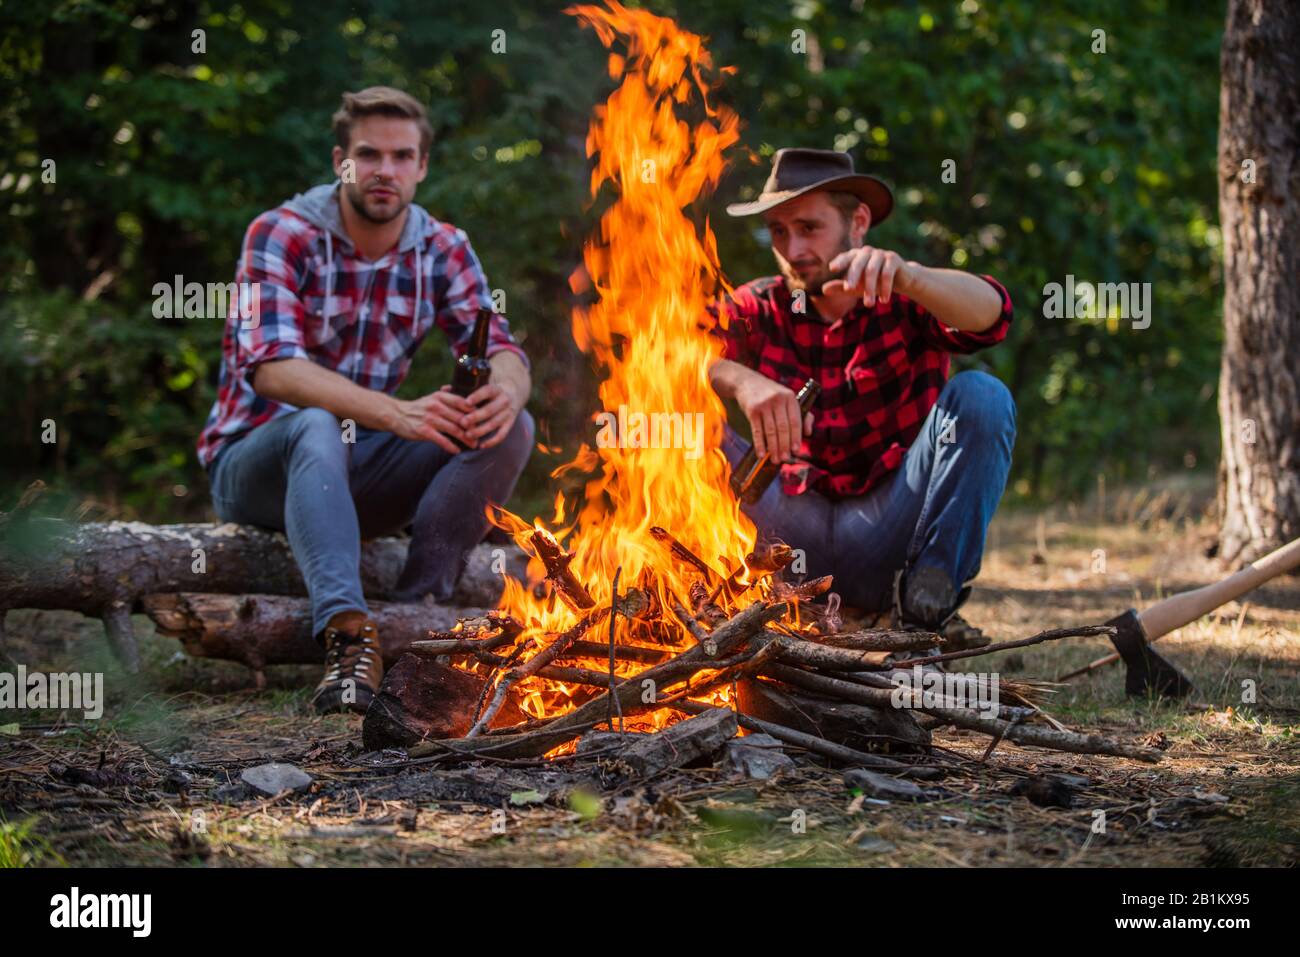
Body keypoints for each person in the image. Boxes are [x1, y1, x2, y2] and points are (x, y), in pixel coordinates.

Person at [198, 87, 533, 713]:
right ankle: (348, 638)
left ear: (422, 166)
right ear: (339, 162)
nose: (385, 170)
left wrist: (506, 395)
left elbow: (502, 348)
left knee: (511, 428)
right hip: (256, 466)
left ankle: (418, 620)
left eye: (402, 156)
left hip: (358, 469)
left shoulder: (444, 246)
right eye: (368, 154)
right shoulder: (282, 232)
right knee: (316, 423)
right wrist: (397, 414)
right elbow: (272, 370)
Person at [707, 148, 1015, 645]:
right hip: (784, 533)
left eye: (809, 227)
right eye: (779, 232)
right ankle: (698, 601)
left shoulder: (906, 294)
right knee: (667, 414)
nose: (792, 247)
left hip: (888, 534)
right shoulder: (761, 304)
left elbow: (994, 314)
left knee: (983, 396)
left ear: (859, 222)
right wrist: (742, 380)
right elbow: (668, 351)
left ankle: (925, 606)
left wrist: (910, 277)